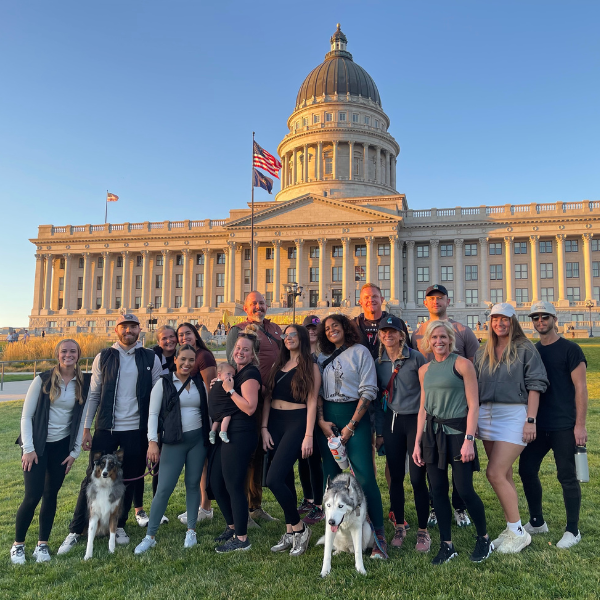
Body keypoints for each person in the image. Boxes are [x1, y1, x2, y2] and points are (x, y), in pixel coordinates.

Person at [57, 314, 162, 555]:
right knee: (91, 479)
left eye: (133, 326)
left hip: (136, 430)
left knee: (129, 479)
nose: (129, 330)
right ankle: (76, 529)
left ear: (139, 329)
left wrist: (153, 435)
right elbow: (93, 394)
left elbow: (158, 393)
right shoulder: (104, 357)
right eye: (124, 327)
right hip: (106, 429)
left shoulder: (149, 357)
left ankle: (120, 524)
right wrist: (86, 428)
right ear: (117, 330)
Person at [413, 320, 492, 564]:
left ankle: (484, 538)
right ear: (428, 340)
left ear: (450, 339)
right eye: (434, 337)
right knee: (437, 491)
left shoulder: (462, 364)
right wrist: (417, 443)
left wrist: (469, 440)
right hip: (431, 434)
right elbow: (423, 408)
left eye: (443, 337)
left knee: (465, 489)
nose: (439, 341)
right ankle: (447, 545)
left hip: (458, 433)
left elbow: (473, 405)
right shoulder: (424, 370)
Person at [475, 303, 549, 554]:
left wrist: (531, 419)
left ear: (513, 321)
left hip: (514, 414)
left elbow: (536, 385)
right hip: (486, 415)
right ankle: (512, 527)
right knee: (504, 474)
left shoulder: (525, 348)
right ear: (490, 323)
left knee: (494, 473)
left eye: (505, 319)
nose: (500, 323)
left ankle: (518, 532)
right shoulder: (483, 350)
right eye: (495, 319)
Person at [11, 339, 90, 565]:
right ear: (57, 354)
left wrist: (74, 452)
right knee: (32, 495)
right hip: (36, 447)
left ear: (78, 354)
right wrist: (28, 449)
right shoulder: (42, 379)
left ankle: (42, 544)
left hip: (61, 448)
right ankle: (18, 545)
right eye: (64, 351)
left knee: (50, 495)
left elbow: (81, 418)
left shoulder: (82, 382)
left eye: (73, 351)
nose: (68, 355)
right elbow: (26, 417)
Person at [316, 314, 388, 559]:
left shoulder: (360, 352)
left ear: (346, 328)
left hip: (354, 417)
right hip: (328, 420)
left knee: (365, 477)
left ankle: (379, 537)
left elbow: (369, 391)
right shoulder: (322, 357)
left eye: (336, 325)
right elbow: (317, 392)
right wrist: (321, 421)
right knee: (331, 480)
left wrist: (351, 426)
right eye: (327, 328)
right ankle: (335, 534)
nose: (331, 330)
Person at [519, 301, 588, 549]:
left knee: (566, 476)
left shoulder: (571, 349)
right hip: (539, 425)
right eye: (536, 318)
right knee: (526, 469)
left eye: (544, 317)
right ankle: (537, 522)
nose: (540, 321)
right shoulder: (533, 350)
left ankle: (573, 530)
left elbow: (581, 388)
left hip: (564, 425)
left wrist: (580, 426)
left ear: (554, 319)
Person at [411, 284, 480, 528]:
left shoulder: (463, 330)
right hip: (432, 411)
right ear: (425, 303)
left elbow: (473, 366)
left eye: (440, 298)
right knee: (436, 471)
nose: (436, 301)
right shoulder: (417, 333)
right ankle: (435, 507)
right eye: (431, 298)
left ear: (447, 301)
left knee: (462, 475)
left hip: (457, 411)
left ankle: (460, 507)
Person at [134, 344, 210, 554]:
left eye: (191, 360)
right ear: (175, 359)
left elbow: (206, 411)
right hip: (173, 441)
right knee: (163, 489)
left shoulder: (198, 383)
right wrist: (152, 442)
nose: (187, 364)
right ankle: (150, 535)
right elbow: (152, 414)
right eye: (183, 359)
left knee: (193, 484)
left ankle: (191, 530)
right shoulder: (163, 382)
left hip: (197, 441)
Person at [262, 324, 320, 556]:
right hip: (274, 422)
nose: (288, 338)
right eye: (285, 336)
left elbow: (313, 402)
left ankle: (300, 527)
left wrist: (308, 435)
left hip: (296, 422)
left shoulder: (310, 366)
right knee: (284, 479)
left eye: (293, 334)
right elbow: (268, 397)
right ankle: (290, 532)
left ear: (302, 338)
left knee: (273, 479)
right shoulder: (279, 364)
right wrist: (264, 427)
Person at [373, 315, 430, 552]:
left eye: (392, 331)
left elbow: (428, 392)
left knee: (417, 478)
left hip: (415, 421)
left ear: (401, 335)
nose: (388, 335)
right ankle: (399, 525)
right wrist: (379, 431)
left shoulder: (416, 358)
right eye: (384, 332)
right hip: (392, 422)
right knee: (395, 478)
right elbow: (377, 399)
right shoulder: (379, 362)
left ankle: (423, 531)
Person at [225, 291, 282, 524]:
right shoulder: (237, 330)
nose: (258, 307)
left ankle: (255, 505)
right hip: (248, 399)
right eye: (254, 304)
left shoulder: (275, 329)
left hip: (271, 400)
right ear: (246, 307)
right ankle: (241, 506)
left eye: (262, 303)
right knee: (245, 454)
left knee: (259, 453)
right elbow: (231, 362)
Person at [210, 328, 262, 552]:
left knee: (233, 485)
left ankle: (242, 539)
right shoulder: (234, 373)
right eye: (238, 348)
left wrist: (230, 391)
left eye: (246, 350)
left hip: (241, 434)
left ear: (253, 355)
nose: (240, 352)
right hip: (228, 434)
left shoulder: (250, 374)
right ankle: (233, 525)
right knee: (216, 481)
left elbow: (250, 408)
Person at [133, 324, 179, 528]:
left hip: (166, 417)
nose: (169, 341)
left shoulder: (181, 357)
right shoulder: (151, 357)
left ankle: (156, 508)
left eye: (172, 337)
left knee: (158, 465)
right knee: (139, 462)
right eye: (164, 338)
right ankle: (138, 510)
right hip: (146, 414)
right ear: (158, 341)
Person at [175, 322, 217, 525]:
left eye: (188, 334)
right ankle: (201, 505)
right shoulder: (185, 355)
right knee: (198, 464)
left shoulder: (203, 356)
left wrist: (210, 418)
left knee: (204, 463)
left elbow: (210, 389)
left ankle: (205, 507)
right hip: (190, 416)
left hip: (205, 415)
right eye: (181, 335)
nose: (184, 337)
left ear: (196, 335)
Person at [296, 315, 325, 525]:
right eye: (308, 328)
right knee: (302, 457)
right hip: (301, 411)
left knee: (315, 458)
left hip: (321, 410)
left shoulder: (326, 354)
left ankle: (319, 503)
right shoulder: (301, 355)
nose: (312, 331)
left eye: (315, 328)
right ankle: (308, 498)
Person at [209, 362, 238, 444]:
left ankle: (212, 432)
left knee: (217, 420)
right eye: (228, 374)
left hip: (213, 409)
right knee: (227, 415)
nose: (231, 377)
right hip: (219, 408)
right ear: (219, 375)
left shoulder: (214, 384)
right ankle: (223, 432)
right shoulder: (223, 384)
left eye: (233, 375)